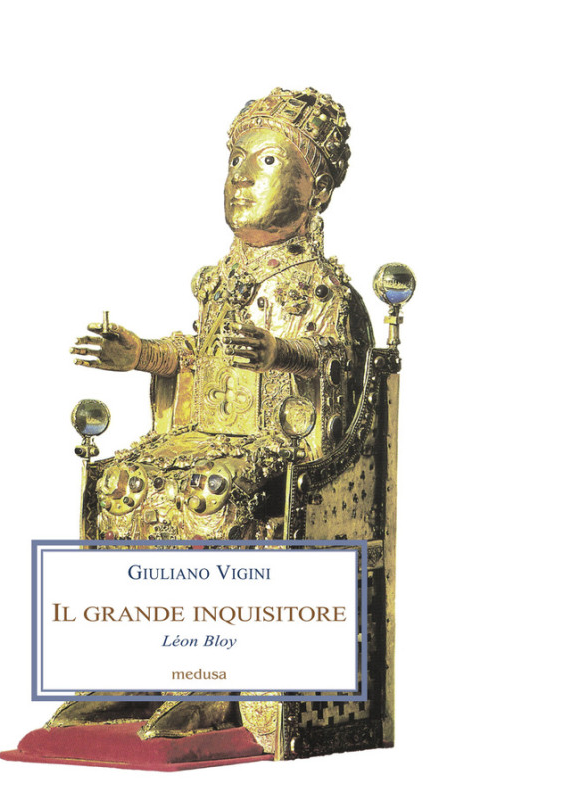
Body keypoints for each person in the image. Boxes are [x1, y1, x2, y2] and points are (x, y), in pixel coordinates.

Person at [69, 87, 372, 543]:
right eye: (235, 161)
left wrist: (282, 352)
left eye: (267, 161)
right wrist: (141, 355)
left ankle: (238, 584)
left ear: (319, 190)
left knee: (212, 487)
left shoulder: (324, 288)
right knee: (119, 481)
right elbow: (201, 356)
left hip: (286, 448)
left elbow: (341, 363)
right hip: (206, 438)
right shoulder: (219, 281)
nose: (241, 178)